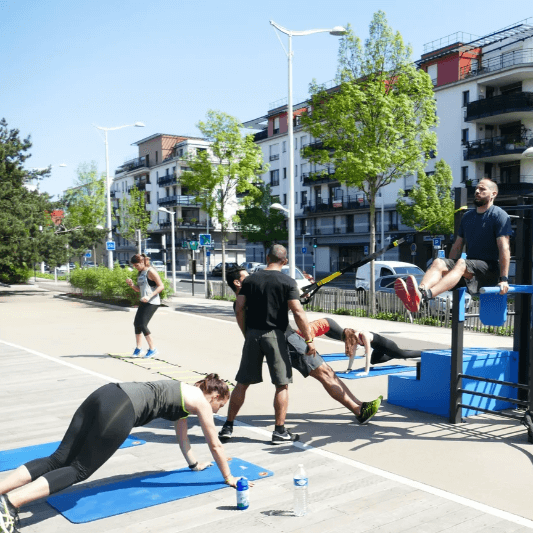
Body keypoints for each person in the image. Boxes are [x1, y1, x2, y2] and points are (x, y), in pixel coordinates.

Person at [0, 375, 238, 533]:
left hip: (106, 393)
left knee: (58, 458)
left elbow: (183, 438)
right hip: (123, 408)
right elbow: (215, 444)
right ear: (216, 396)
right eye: (221, 406)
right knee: (79, 469)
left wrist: (194, 464)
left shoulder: (184, 393)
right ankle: (9, 504)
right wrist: (229, 477)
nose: (217, 410)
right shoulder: (202, 403)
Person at [219, 268, 382, 439]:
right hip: (285, 339)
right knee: (324, 373)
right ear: (237, 282)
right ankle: (358, 410)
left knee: (242, 383)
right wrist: (295, 302)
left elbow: (267, 311)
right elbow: (283, 311)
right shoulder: (255, 293)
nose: (252, 278)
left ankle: (228, 426)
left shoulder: (243, 300)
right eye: (247, 276)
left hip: (256, 340)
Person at [228, 245, 316, 445]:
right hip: (276, 335)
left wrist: (246, 333)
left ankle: (228, 426)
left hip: (253, 335)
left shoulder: (250, 280)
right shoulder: (287, 281)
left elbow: (239, 308)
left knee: (242, 383)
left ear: (267, 258)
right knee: (281, 384)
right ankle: (279, 431)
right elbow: (298, 312)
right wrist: (309, 340)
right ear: (285, 261)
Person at [395, 178, 512, 313]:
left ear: (493, 194)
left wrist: (504, 279)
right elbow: (457, 246)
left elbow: (504, 248)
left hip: (489, 271)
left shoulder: (499, 215)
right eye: (476, 189)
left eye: (482, 189)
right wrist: (448, 269)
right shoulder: (467, 217)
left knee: (461, 263)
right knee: (439, 262)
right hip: (469, 269)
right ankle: (419, 293)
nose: (477, 191)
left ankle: (425, 295)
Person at [126, 253, 164, 358]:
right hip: (144, 301)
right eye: (134, 266)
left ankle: (153, 349)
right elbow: (139, 289)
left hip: (152, 301)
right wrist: (131, 285)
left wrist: (149, 296)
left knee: (143, 324)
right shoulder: (140, 273)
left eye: (137, 265)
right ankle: (138, 349)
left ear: (142, 262)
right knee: (136, 324)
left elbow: (161, 286)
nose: (135, 267)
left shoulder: (151, 271)